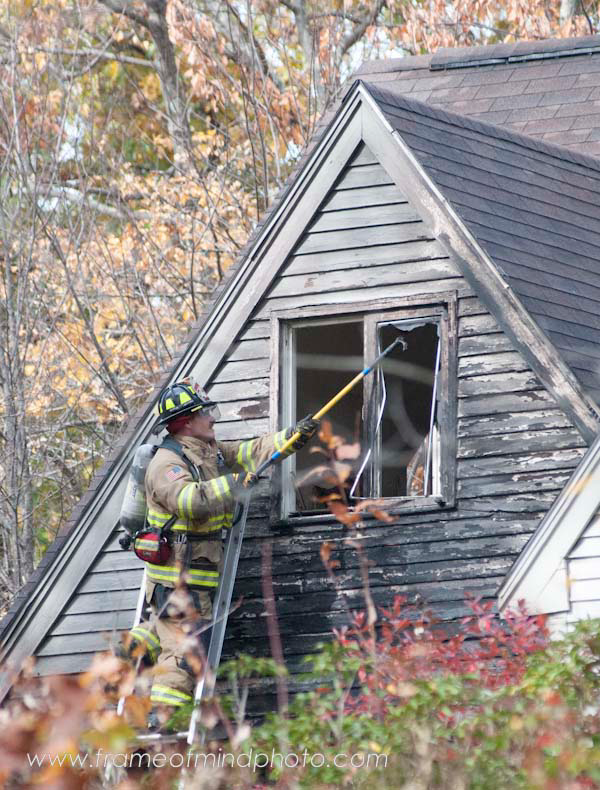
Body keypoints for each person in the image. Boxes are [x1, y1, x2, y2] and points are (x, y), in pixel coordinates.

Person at [133, 379, 318, 721]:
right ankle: (162, 723)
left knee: (168, 638)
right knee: (188, 654)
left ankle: (131, 651)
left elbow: (250, 452)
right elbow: (189, 501)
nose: (213, 419)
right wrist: (233, 484)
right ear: (187, 421)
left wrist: (291, 437)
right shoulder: (166, 464)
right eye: (206, 413)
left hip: (193, 582)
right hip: (177, 583)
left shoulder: (208, 452)